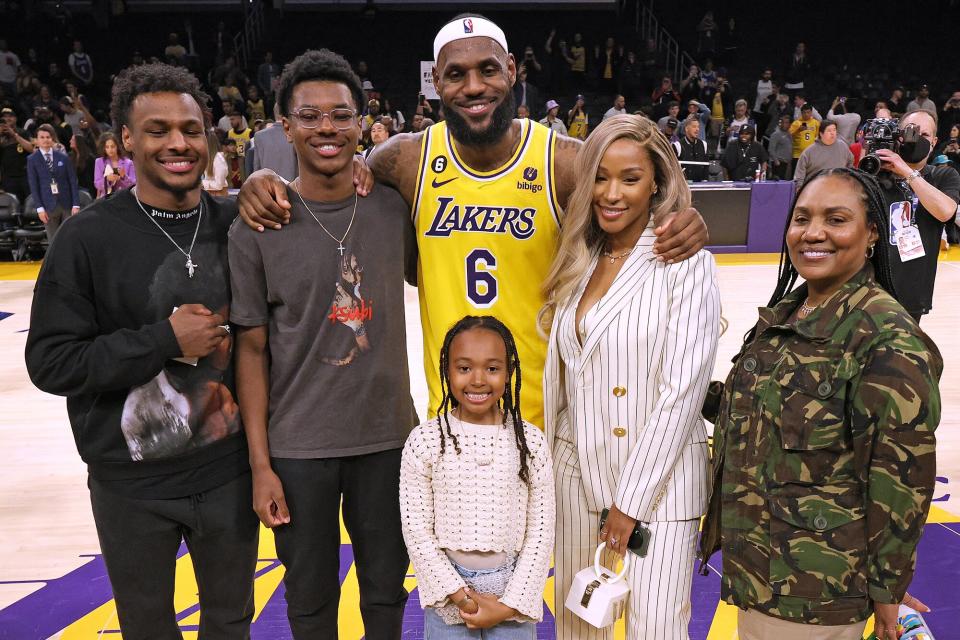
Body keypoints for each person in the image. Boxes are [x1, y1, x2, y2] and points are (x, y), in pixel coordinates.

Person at [236, 13, 708, 429]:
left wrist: (682, 217)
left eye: (487, 70)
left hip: (549, 412)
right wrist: (265, 177)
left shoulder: (562, 161)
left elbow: (634, 194)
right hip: (452, 412)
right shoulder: (403, 160)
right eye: (456, 75)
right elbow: (331, 182)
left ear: (511, 71)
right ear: (436, 83)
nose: (474, 87)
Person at [24, 62, 258, 639]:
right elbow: (50, 361)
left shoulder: (236, 221)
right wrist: (163, 341)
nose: (178, 143)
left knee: (230, 622)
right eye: (157, 130)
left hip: (228, 473)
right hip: (131, 484)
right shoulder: (87, 236)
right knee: (148, 627)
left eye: (191, 128)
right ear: (125, 139)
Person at [698, 168, 942, 640]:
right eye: (802, 218)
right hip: (760, 575)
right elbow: (771, 415)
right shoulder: (791, 313)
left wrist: (887, 590)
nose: (813, 233)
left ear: (872, 233)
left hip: (816, 594)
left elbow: (901, 482)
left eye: (836, 219)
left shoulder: (886, 337)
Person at [229, 49, 417, 639]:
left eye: (341, 115)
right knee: (309, 602)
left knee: (386, 594)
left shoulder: (392, 205)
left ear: (363, 121)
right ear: (284, 125)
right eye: (309, 116)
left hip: (388, 440)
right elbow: (251, 352)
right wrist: (260, 464)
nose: (326, 129)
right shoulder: (257, 224)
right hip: (298, 448)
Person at [541, 114, 720, 639]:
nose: (611, 193)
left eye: (630, 178)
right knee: (578, 629)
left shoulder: (685, 263)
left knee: (656, 631)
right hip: (578, 477)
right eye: (600, 176)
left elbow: (681, 394)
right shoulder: (577, 256)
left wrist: (628, 506)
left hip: (658, 491)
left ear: (657, 184)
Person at [400, 316, 554, 637]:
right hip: (450, 599)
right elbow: (417, 530)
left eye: (492, 368)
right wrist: (461, 597)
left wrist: (509, 605)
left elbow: (540, 532)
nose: (478, 380)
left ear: (509, 371)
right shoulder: (425, 441)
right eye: (465, 368)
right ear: (447, 369)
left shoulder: (530, 441)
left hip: (511, 596)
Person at [876, 109, 960, 322]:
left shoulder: (943, 175)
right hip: (867, 291)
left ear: (934, 141)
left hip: (911, 294)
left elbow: (945, 212)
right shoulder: (876, 175)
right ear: (898, 136)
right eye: (911, 131)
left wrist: (905, 171)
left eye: (924, 135)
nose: (917, 139)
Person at [26, 124, 80, 241]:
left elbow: (72, 181)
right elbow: (34, 186)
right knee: (53, 241)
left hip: (67, 204)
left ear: (52, 139)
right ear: (37, 140)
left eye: (48, 137)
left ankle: (69, 260)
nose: (46, 140)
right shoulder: (32, 160)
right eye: (42, 137)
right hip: (47, 205)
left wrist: (76, 204)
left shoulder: (63, 157)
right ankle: (55, 260)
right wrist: (40, 208)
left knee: (70, 238)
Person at [793, 120, 853, 188]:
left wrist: (848, 177)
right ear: (821, 133)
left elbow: (850, 162)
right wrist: (798, 188)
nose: (832, 133)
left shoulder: (843, 146)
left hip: (838, 187)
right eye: (829, 131)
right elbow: (799, 175)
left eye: (834, 130)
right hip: (815, 188)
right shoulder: (809, 152)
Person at [252, 105, 298, 181]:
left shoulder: (259, 136)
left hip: (267, 188)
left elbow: (257, 168)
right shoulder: (296, 134)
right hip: (293, 188)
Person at [0, 106, 34, 203]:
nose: (7, 119)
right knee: (12, 206)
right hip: (8, 178)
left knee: (29, 203)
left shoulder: (23, 133)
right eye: (4, 117)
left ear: (16, 119)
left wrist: (14, 135)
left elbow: (32, 149)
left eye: (10, 116)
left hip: (25, 176)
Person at [93, 131, 136, 198]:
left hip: (124, 199)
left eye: (112, 146)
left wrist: (123, 177)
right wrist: (107, 179)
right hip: (106, 200)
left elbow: (134, 185)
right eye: (107, 147)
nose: (110, 150)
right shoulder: (99, 162)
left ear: (117, 146)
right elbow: (97, 184)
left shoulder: (128, 163)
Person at [673, 116, 709, 181]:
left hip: (700, 185)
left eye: (698, 127)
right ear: (686, 129)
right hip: (684, 185)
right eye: (694, 127)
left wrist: (705, 181)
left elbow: (706, 166)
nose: (697, 129)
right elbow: (673, 168)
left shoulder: (704, 144)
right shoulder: (677, 146)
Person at [789, 105, 820, 174]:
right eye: (804, 112)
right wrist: (798, 130)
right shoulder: (796, 123)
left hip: (811, 154)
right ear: (801, 113)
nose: (806, 114)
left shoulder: (816, 123)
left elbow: (818, 137)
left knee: (810, 174)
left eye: (808, 112)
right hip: (798, 154)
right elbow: (789, 135)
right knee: (796, 175)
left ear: (811, 113)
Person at [202, 130, 228, 196]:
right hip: (209, 194)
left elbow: (219, 185)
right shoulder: (207, 158)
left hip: (219, 196)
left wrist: (202, 183)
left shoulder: (218, 159)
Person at [768, 114, 794, 180]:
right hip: (778, 163)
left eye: (786, 123)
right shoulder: (776, 134)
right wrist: (776, 161)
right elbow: (771, 149)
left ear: (790, 124)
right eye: (782, 122)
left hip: (786, 163)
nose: (783, 124)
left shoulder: (789, 134)